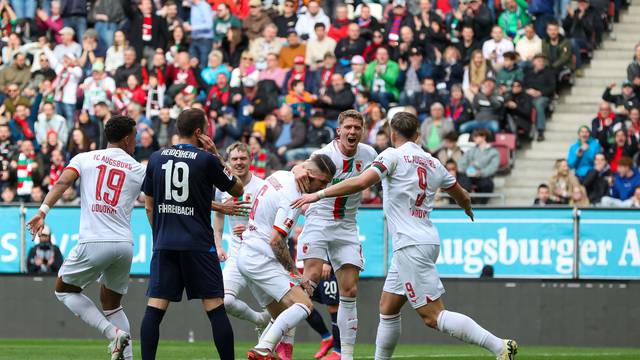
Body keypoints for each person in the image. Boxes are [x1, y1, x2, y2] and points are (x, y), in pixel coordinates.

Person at [291, 111, 517, 360]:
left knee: (433, 316)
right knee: (388, 308)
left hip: (411, 244)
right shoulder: (433, 161)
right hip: (425, 238)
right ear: (418, 134)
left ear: (392, 133)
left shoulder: (391, 155)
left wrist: (318, 195)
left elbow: (359, 183)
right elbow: (461, 193)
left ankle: (499, 346)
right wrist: (467, 209)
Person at [26, 116, 146, 360]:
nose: (136, 140)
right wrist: (214, 206)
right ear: (126, 139)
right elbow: (163, 199)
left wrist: (42, 212)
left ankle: (112, 333)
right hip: (124, 245)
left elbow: (62, 182)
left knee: (64, 290)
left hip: (94, 241)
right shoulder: (139, 169)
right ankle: (127, 355)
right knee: (112, 304)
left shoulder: (84, 158)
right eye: (134, 136)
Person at [140, 108, 244, 360]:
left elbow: (149, 204)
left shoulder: (156, 158)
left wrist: (159, 237)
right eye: (206, 128)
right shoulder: (206, 160)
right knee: (215, 309)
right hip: (198, 244)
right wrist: (217, 156)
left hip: (165, 244)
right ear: (199, 132)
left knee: (154, 310)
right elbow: (238, 189)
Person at [294, 110, 377, 360]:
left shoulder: (370, 154)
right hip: (319, 220)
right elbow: (301, 169)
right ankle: (278, 345)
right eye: (348, 127)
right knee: (307, 285)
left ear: (362, 131)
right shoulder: (324, 155)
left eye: (357, 128)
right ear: (338, 130)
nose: (352, 132)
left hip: (347, 225)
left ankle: (345, 355)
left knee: (349, 291)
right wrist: (298, 168)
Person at [240, 154, 335, 360]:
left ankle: (266, 349)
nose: (322, 188)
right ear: (308, 176)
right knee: (304, 305)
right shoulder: (294, 196)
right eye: (322, 182)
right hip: (261, 258)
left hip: (246, 255)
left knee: (280, 315)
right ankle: (263, 349)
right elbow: (276, 241)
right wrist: (294, 273)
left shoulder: (282, 174)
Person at [213, 142, 271, 330]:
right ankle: (259, 321)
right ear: (228, 162)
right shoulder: (222, 188)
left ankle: (271, 346)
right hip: (237, 255)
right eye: (235, 159)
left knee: (275, 305)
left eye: (243, 158)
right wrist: (219, 245)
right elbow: (219, 217)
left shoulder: (263, 187)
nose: (239, 162)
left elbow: (271, 224)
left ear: (250, 159)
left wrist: (250, 230)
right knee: (225, 301)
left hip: (262, 255)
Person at [456, 128, 500, 203]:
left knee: (487, 184)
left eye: (476, 136)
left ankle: (482, 205)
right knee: (461, 181)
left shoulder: (494, 152)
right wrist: (466, 170)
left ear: (483, 137)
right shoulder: (472, 150)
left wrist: (480, 173)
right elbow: (461, 162)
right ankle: (469, 202)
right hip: (468, 175)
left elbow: (492, 167)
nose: (474, 138)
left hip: (482, 176)